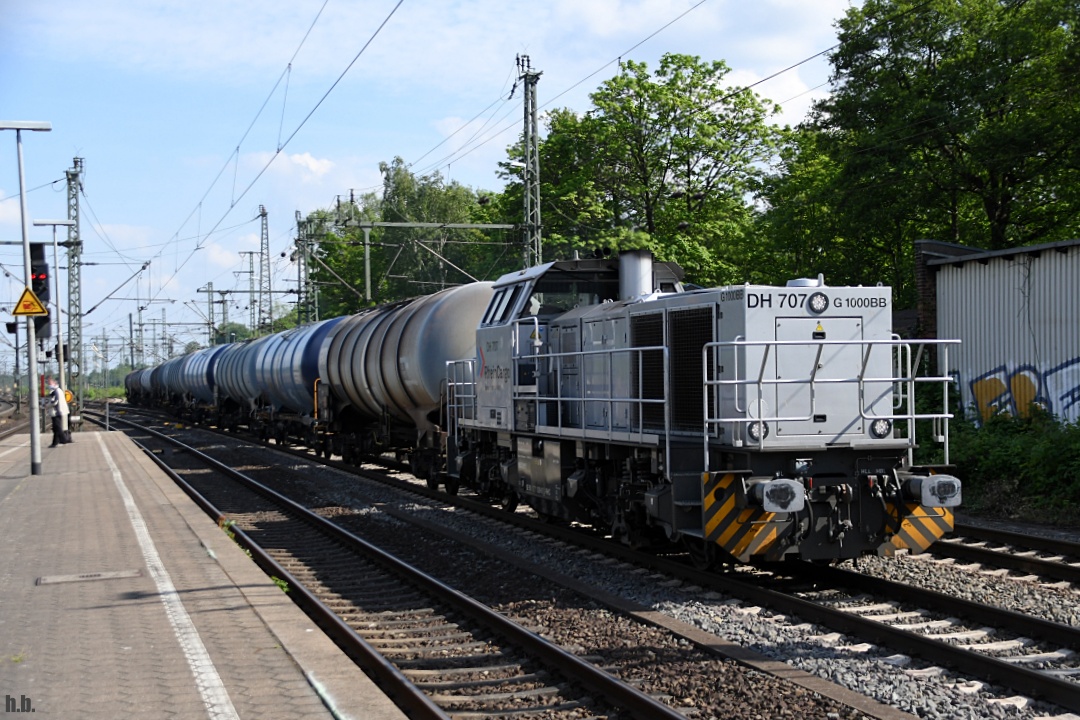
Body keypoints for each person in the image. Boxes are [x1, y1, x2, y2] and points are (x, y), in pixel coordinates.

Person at [45, 377, 71, 447]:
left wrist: (47, 405)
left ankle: (64, 439)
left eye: (50, 383)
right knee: (55, 428)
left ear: (54, 383)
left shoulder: (55, 391)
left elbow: (54, 402)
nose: (48, 384)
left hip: (56, 412)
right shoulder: (58, 390)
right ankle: (55, 442)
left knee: (57, 427)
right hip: (59, 411)